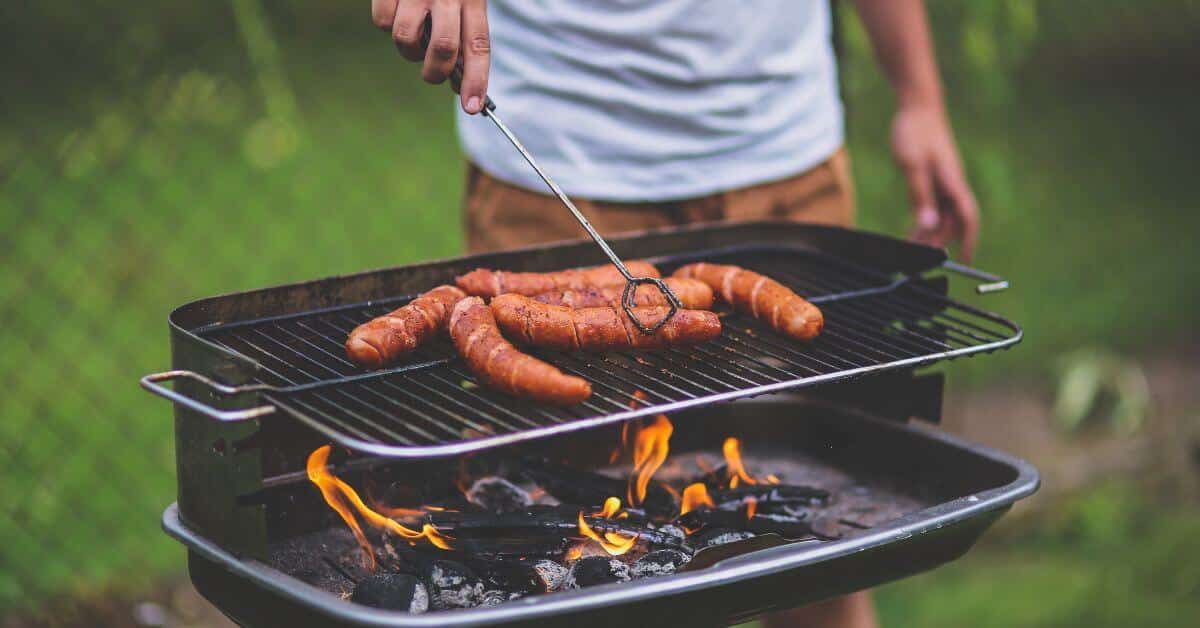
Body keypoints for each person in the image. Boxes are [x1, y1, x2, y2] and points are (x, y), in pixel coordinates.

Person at [370, 1, 978, 626]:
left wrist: (919, 96)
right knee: (561, 552)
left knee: (819, 548)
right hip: (554, 159)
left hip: (784, 155)